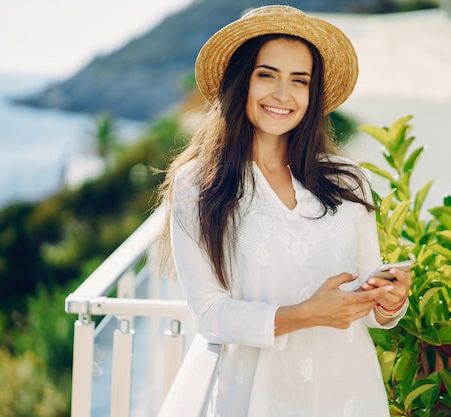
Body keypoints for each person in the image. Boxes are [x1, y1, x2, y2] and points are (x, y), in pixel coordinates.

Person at [158, 5, 412, 416]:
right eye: (266, 75)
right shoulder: (198, 184)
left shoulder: (349, 180)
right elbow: (209, 314)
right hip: (259, 399)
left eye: (299, 80)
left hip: (351, 395)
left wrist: (388, 301)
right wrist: (304, 314)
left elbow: (367, 300)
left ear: (312, 95)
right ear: (241, 82)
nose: (282, 94)